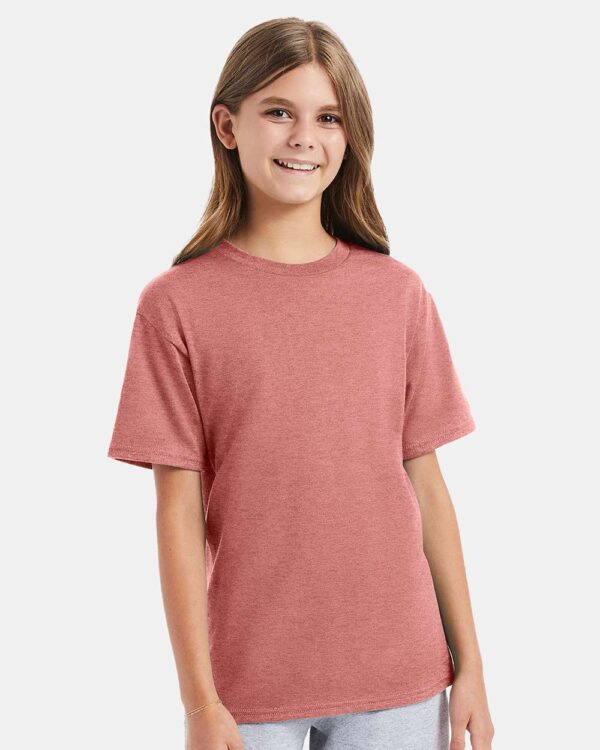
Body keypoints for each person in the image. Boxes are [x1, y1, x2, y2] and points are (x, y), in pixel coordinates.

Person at [107, 17, 495, 750]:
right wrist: (198, 702)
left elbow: (427, 486)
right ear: (228, 126)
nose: (304, 138)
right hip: (247, 686)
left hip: (402, 675)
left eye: (329, 118)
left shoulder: (398, 294)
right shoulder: (175, 305)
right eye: (279, 111)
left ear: (350, 137)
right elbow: (176, 514)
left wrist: (470, 664)